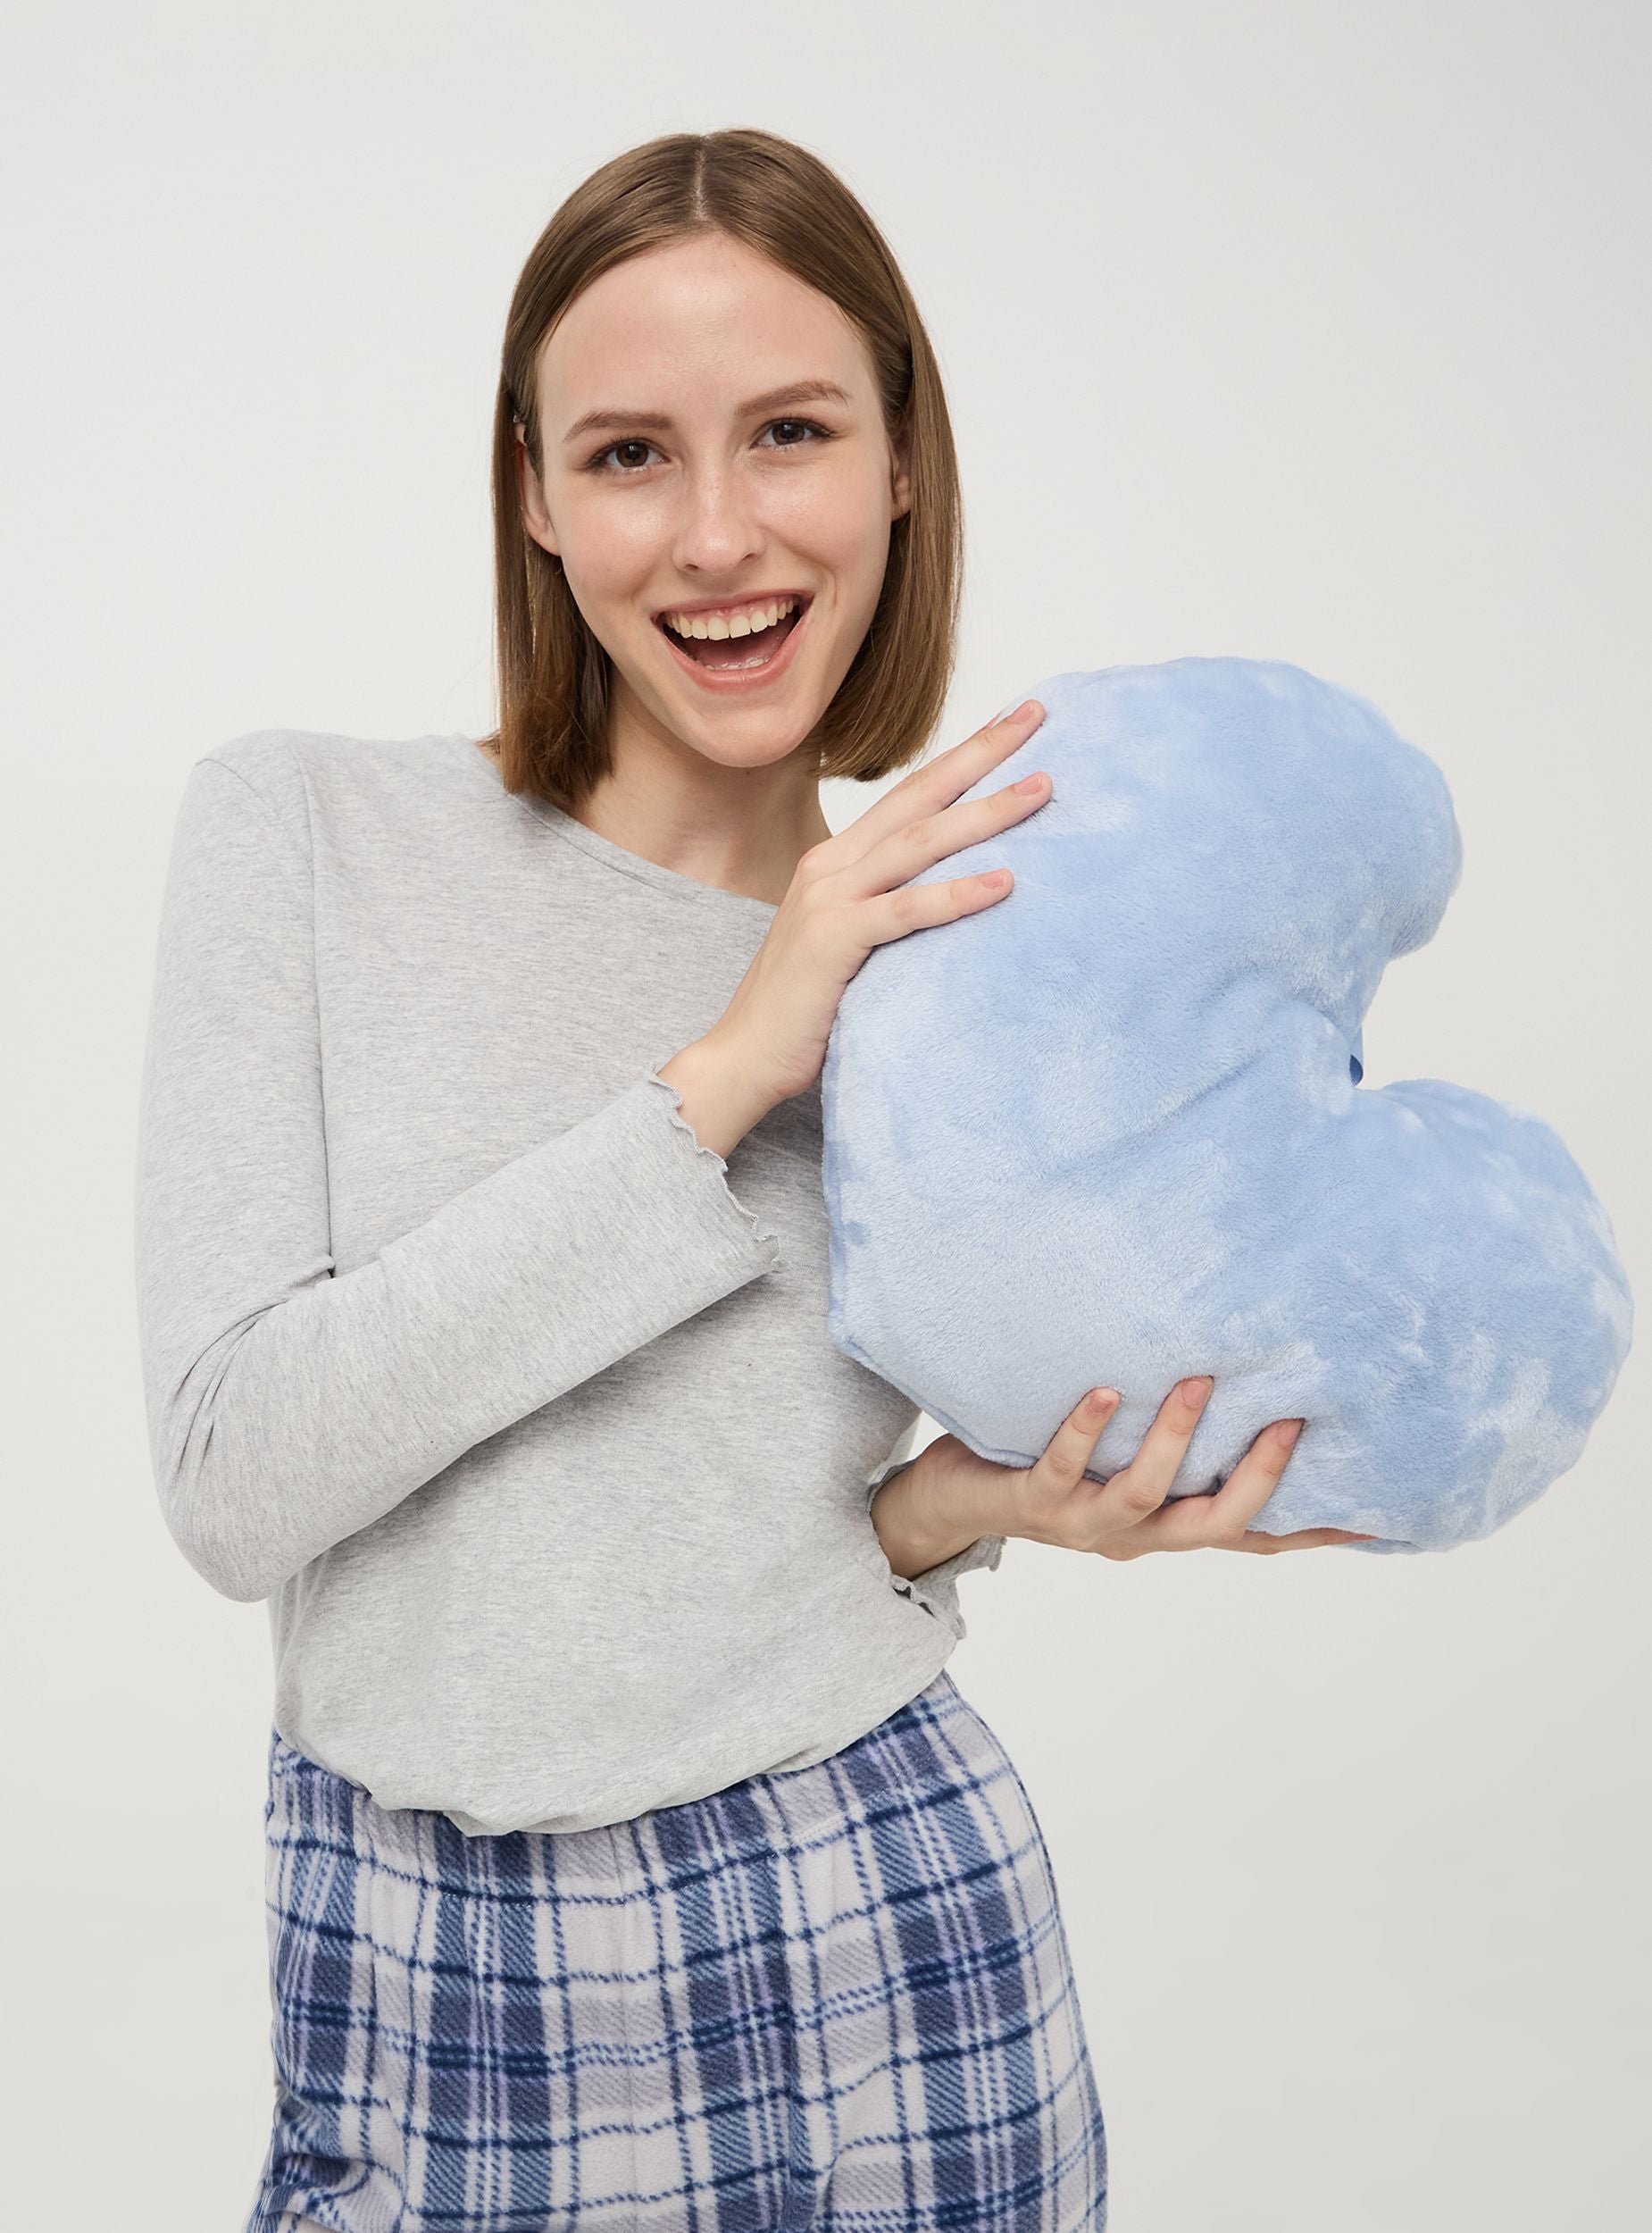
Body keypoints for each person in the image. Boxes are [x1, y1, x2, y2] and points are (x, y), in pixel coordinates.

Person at [135, 124, 1366, 2233]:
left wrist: (966, 1508)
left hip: (898, 1926)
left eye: (789, 431)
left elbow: (729, 1527)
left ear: (899, 461)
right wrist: (722, 1074)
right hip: (464, 1968)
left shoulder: (958, 958)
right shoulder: (305, 832)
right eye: (629, 453)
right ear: (534, 490)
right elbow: (236, 1475)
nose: (717, 534)